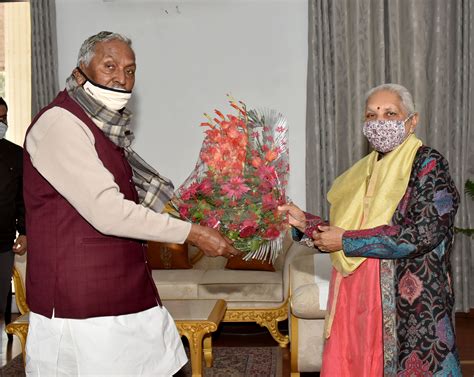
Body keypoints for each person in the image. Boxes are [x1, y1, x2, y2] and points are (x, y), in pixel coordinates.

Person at [23, 31, 239, 376]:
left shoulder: (105, 134)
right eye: (109, 66)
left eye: (130, 70)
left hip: (125, 293)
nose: (121, 79)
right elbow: (109, 213)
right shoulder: (60, 124)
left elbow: (146, 200)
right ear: (80, 73)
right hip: (81, 304)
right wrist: (192, 232)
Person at [280, 84, 461, 376]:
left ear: (412, 120)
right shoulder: (362, 171)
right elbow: (346, 231)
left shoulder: (428, 164)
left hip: (406, 302)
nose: (380, 123)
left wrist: (346, 240)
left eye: (390, 113)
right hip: (357, 295)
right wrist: (305, 223)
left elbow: (423, 233)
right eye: (371, 115)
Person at [0, 97, 27, 331]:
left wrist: (25, 232)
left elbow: (22, 199)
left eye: (4, 118)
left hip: (4, 243)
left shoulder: (15, 154)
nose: (2, 123)